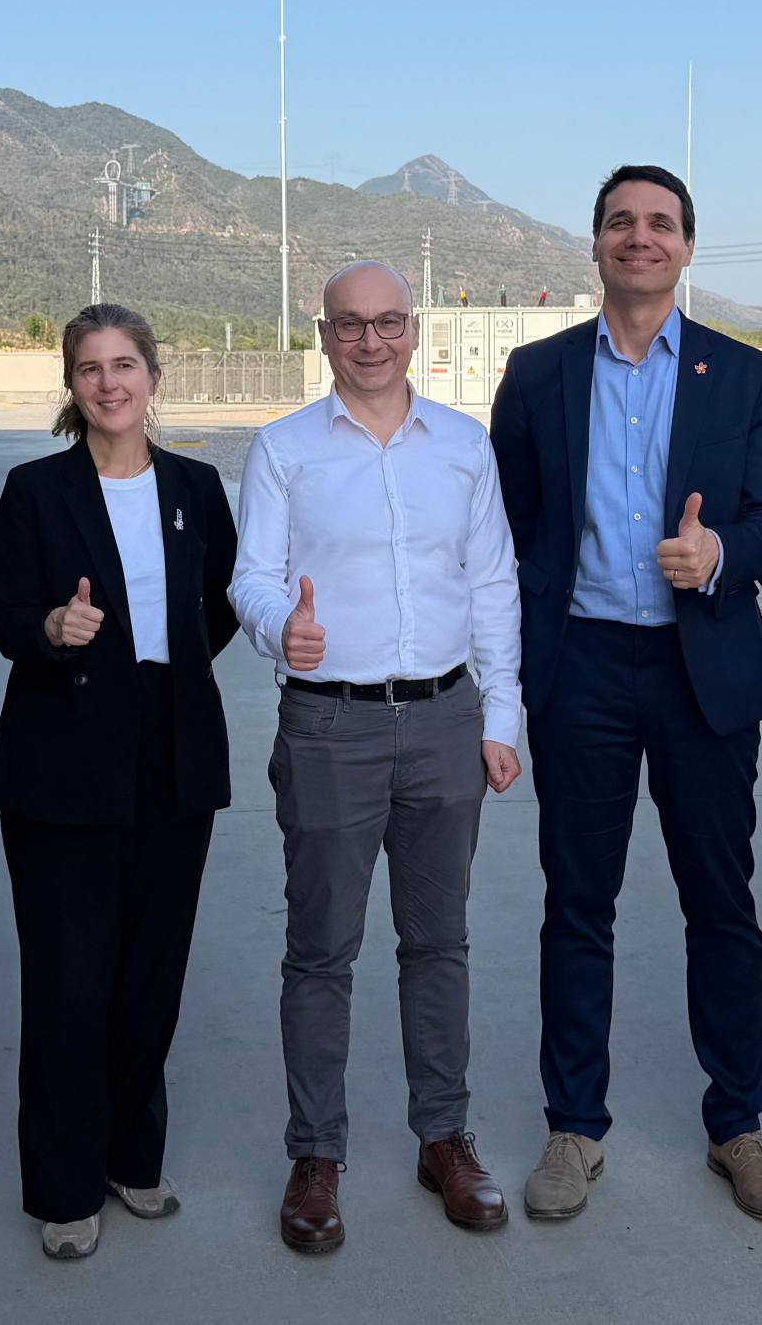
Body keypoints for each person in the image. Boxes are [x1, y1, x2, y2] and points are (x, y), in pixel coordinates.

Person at [488, 167, 762, 1224]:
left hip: (697, 668)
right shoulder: (538, 373)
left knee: (721, 902)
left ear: (686, 247)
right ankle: (573, 1126)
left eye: (659, 223)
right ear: (594, 244)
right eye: (619, 222)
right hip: (580, 667)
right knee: (577, 903)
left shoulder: (744, 376)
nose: (639, 237)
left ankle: (736, 1124)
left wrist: (719, 553)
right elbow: (510, 524)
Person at [231, 262, 524, 1253]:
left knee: (438, 943)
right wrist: (280, 626)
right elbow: (251, 577)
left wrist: (500, 717)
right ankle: (316, 1155)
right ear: (323, 335)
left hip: (445, 719)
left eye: (387, 322)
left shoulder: (464, 447)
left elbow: (492, 584)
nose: (370, 341)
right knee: (321, 950)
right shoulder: (283, 450)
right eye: (350, 324)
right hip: (329, 726)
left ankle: (443, 1139)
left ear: (413, 329)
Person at [0, 304, 240, 1260]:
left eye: (124, 363)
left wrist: (165, 666)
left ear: (153, 376)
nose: (108, 382)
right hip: (61, 756)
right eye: (90, 367)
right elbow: (4, 613)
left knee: (149, 970)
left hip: (172, 750)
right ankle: (64, 1185)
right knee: (67, 977)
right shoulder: (35, 489)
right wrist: (53, 629)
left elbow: (219, 603)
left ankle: (133, 1156)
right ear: (71, 384)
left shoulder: (196, 486)